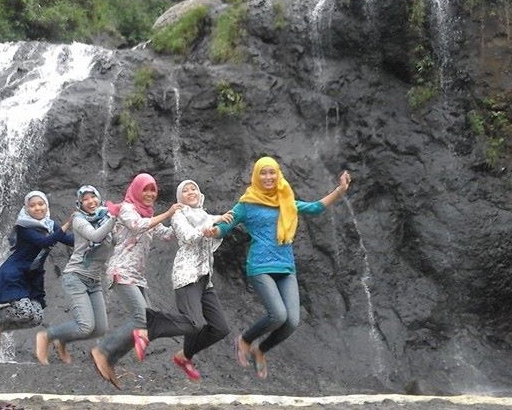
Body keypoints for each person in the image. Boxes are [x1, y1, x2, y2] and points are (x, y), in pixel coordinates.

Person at [207, 156, 351, 379]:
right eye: (263, 173)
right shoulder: (247, 204)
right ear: (256, 176)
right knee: (278, 315)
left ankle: (260, 350)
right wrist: (213, 230)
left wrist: (340, 190)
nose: (268, 177)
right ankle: (245, 340)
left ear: (278, 174)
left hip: (286, 268)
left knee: (292, 322)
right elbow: (226, 226)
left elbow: (314, 208)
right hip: (260, 266)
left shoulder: (286, 200)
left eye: (272, 172)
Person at [128, 179, 233, 381]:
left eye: (194, 188)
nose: (190, 192)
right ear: (179, 198)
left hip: (204, 280)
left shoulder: (204, 214)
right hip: (187, 277)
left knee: (220, 328)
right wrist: (212, 224)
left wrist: (221, 221)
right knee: (195, 324)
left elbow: (214, 229)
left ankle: (184, 356)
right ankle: (148, 330)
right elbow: (187, 236)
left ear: (200, 193)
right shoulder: (178, 214)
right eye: (185, 191)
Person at [89, 173, 181, 389]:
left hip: (137, 276)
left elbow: (167, 235)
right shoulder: (127, 209)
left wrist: (184, 218)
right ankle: (102, 351)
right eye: (145, 189)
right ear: (136, 190)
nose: (150, 194)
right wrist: (168, 212)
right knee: (141, 318)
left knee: (148, 324)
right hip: (121, 271)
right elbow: (139, 225)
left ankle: (109, 360)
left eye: (153, 190)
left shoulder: (148, 214)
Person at [0, 191, 73, 350]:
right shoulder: (23, 227)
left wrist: (91, 236)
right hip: (15, 273)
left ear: (46, 205)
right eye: (32, 205)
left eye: (41, 204)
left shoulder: (49, 225)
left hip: (32, 276)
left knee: (36, 317)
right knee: (25, 311)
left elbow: (69, 240)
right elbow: (44, 242)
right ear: (26, 208)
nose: (37, 208)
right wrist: (66, 225)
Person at [35, 185, 117, 364]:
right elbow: (95, 236)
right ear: (80, 203)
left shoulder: (105, 218)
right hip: (76, 276)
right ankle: (46, 336)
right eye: (85, 199)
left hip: (94, 280)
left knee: (100, 328)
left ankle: (61, 340)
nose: (90, 202)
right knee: (86, 326)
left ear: (99, 198)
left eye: (93, 197)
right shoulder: (78, 219)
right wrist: (114, 218)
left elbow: (115, 240)